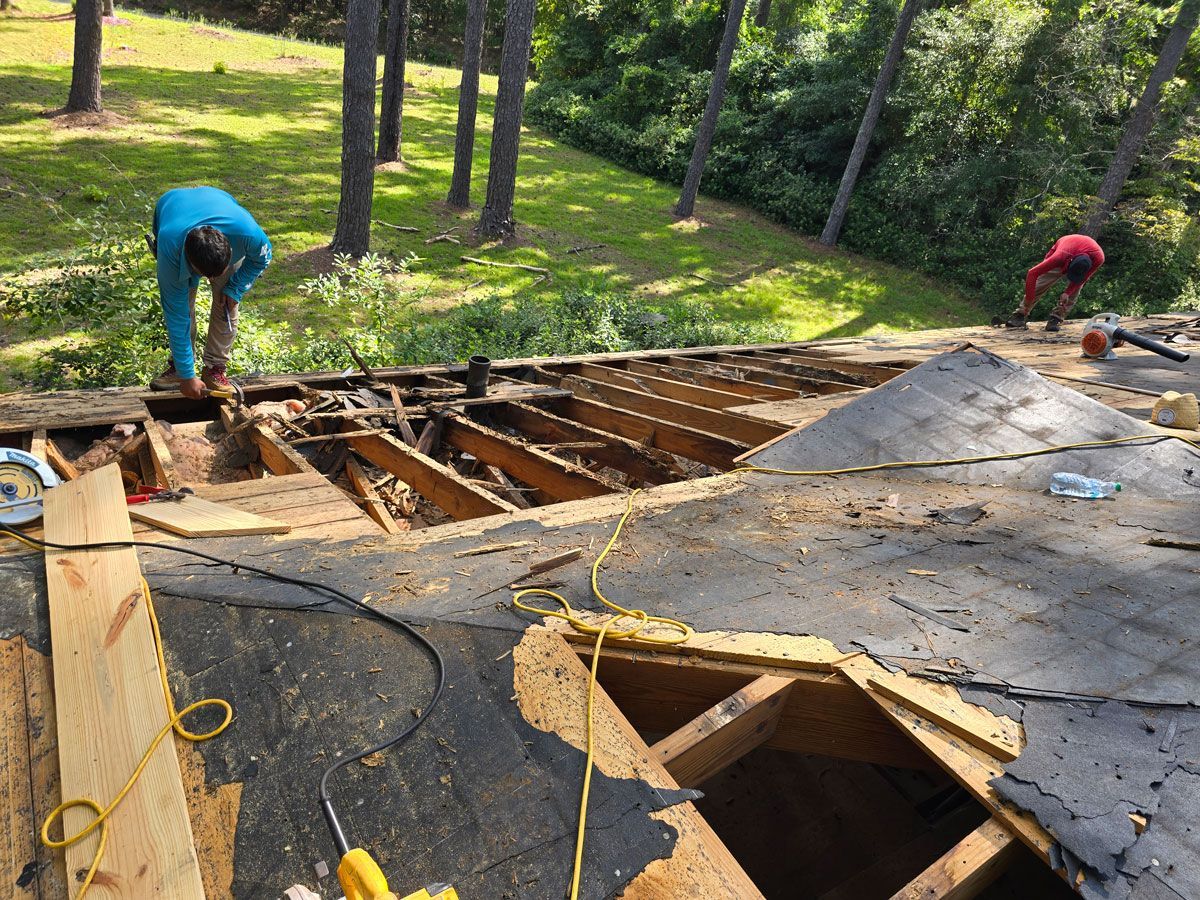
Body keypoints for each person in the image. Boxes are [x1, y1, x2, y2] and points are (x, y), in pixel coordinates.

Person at [147, 187, 272, 398]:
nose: (211, 280)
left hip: (220, 205)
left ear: (230, 250)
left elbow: (262, 259)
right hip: (172, 211)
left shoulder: (248, 234)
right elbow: (176, 317)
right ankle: (180, 369)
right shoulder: (171, 252)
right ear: (190, 262)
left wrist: (236, 287)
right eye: (205, 274)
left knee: (228, 301)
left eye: (217, 273)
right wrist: (187, 377)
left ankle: (215, 368)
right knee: (183, 306)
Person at [1004, 234, 1104, 332]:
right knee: (1041, 283)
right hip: (1065, 249)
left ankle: (1056, 318)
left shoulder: (1098, 258)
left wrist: (1067, 293)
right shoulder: (1059, 256)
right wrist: (1029, 300)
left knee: (1075, 289)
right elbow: (1032, 273)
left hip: (1078, 252)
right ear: (1069, 263)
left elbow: (1082, 279)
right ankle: (1020, 314)